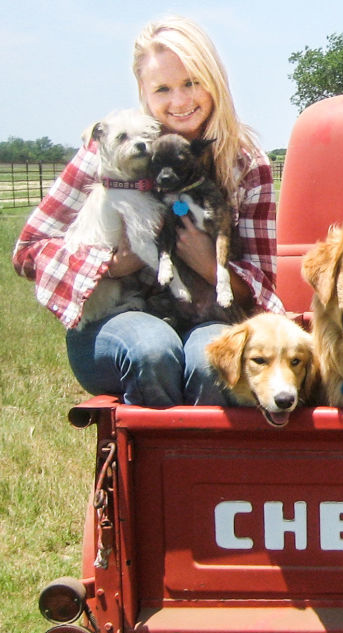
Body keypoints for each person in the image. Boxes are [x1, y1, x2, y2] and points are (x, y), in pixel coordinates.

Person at [11, 15, 284, 406]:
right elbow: (27, 252)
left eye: (192, 82)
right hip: (117, 317)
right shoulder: (107, 152)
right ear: (143, 91)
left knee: (213, 362)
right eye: (162, 89)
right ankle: (146, 462)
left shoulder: (244, 162)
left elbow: (263, 286)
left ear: (215, 80)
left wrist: (209, 263)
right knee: (152, 350)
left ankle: (204, 464)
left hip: (206, 313)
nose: (180, 101)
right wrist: (110, 264)